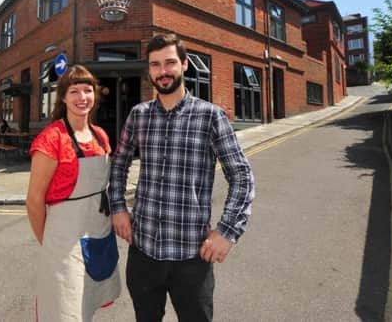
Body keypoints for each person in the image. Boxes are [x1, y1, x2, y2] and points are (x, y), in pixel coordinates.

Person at [108, 33, 255, 322]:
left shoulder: (210, 116)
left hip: (191, 257)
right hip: (143, 253)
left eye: (170, 63)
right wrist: (118, 207)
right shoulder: (138, 115)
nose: (163, 71)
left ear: (185, 64)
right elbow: (118, 163)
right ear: (149, 70)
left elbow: (242, 176)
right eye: (155, 65)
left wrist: (227, 231)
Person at [26, 65, 121, 321]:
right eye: (74, 91)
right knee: (65, 312)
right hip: (64, 242)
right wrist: (49, 243)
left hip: (98, 233)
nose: (82, 97)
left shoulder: (101, 136)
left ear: (95, 95)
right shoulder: (51, 139)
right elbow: (34, 200)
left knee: (87, 304)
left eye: (87, 90)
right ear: (64, 97)